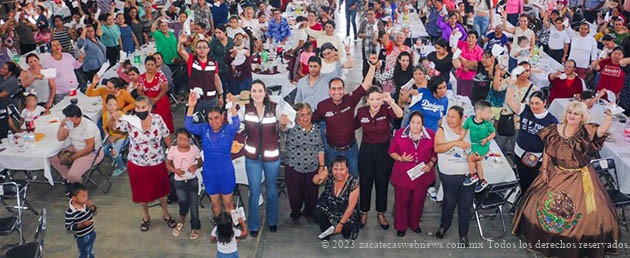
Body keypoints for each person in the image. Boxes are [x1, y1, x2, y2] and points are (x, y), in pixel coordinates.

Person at [512, 101, 619, 258]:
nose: (572, 116)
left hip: (580, 179)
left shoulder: (586, 131)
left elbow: (602, 130)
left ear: (582, 117)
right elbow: (547, 150)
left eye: (576, 114)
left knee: (586, 217)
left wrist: (609, 115)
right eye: (570, 112)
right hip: (556, 173)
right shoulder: (554, 130)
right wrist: (543, 169)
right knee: (540, 207)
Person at [111, 96, 176, 232]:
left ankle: (166, 213)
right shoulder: (130, 121)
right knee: (142, 193)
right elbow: (115, 127)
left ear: (149, 108)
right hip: (137, 163)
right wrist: (115, 116)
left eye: (143, 107)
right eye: (137, 107)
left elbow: (166, 135)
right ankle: (146, 217)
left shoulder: (158, 119)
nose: (140, 110)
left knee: (162, 191)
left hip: (156, 161)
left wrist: (171, 156)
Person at [238, 80, 289, 237]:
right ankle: (253, 225)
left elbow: (284, 128)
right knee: (254, 191)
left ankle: (272, 221)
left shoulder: (275, 108)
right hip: (252, 158)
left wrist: (284, 124)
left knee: (272, 191)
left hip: (272, 157)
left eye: (260, 91)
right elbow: (235, 125)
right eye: (254, 91)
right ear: (250, 93)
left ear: (265, 92)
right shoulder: (244, 110)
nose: (257, 94)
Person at [312, 55, 377, 177]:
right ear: (329, 91)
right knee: (332, 180)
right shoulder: (322, 106)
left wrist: (373, 65)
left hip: (351, 150)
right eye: (333, 89)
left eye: (340, 89)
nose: (337, 92)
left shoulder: (350, 99)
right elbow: (311, 121)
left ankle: (353, 196)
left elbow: (366, 84)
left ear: (344, 89)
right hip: (332, 151)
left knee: (354, 178)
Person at [184, 93, 239, 219]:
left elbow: (236, 122)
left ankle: (235, 227)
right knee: (215, 204)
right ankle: (220, 229)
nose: (213, 122)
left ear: (222, 117)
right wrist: (191, 106)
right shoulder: (204, 129)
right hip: (210, 173)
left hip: (225, 173)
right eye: (210, 119)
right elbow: (188, 125)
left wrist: (231, 104)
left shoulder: (228, 130)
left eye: (216, 118)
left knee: (228, 203)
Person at [355, 87, 402, 230]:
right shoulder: (361, 112)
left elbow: (399, 115)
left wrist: (391, 101)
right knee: (365, 183)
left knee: (382, 183)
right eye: (372, 99)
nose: (375, 102)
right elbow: (352, 126)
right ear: (367, 100)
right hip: (366, 151)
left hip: (383, 151)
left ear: (381, 99)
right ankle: (364, 212)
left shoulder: (386, 109)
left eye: (378, 99)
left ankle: (381, 213)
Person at [389, 111, 437, 237]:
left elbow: (434, 154)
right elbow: (392, 151)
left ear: (423, 124)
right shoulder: (399, 134)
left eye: (418, 123)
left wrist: (430, 165)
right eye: (412, 122)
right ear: (408, 123)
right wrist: (400, 158)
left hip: (422, 176)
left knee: (418, 201)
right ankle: (401, 226)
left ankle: (414, 224)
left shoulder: (431, 135)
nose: (415, 126)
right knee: (401, 202)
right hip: (402, 175)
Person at [504, 89, 558, 192]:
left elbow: (550, 146)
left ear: (545, 102)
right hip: (519, 152)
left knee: (531, 184)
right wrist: (513, 79)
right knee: (522, 179)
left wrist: (544, 167)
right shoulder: (525, 109)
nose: (533, 106)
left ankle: (526, 202)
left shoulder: (551, 121)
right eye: (531, 103)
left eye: (537, 103)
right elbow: (509, 100)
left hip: (535, 158)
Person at [434, 106, 474, 246]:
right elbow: (437, 148)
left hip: (467, 175)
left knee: (465, 205)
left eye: (453, 116)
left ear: (462, 118)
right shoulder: (442, 130)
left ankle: (463, 234)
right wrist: (456, 142)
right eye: (448, 116)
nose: (449, 119)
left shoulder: (469, 130)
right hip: (449, 175)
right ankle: (444, 226)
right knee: (448, 202)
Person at [279, 102, 324, 225]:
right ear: (296, 116)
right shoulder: (291, 127)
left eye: (308, 114)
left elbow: (320, 148)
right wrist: (283, 122)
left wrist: (321, 167)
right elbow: (282, 128)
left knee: (312, 197)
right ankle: (295, 213)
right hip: (294, 168)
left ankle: (309, 213)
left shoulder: (317, 129)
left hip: (312, 168)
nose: (305, 117)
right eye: (301, 115)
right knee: (295, 196)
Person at [51, 104, 103, 183]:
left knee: (73, 175)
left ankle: (78, 189)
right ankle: (67, 179)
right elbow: (61, 138)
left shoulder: (87, 127)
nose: (66, 119)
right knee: (52, 157)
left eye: (69, 117)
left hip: (92, 153)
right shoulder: (70, 123)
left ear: (75, 117)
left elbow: (89, 148)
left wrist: (73, 157)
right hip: (76, 148)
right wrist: (61, 126)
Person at [166, 128, 203, 240]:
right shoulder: (173, 150)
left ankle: (195, 227)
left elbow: (201, 162)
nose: (182, 142)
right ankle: (181, 221)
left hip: (192, 181)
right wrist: (175, 171)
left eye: (185, 139)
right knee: (182, 203)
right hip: (179, 181)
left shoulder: (194, 149)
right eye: (179, 139)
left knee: (193, 204)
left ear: (189, 140)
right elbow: (167, 164)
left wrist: (195, 166)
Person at [312, 156, 360, 240]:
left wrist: (340, 224)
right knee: (318, 211)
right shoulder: (329, 175)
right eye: (335, 169)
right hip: (330, 204)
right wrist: (320, 176)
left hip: (345, 209)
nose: (338, 173)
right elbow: (315, 181)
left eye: (342, 169)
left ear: (347, 169)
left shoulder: (354, 182)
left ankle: (345, 230)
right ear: (331, 169)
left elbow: (351, 206)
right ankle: (327, 230)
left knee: (346, 228)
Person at [178, 34, 224, 116]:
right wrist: (180, 43)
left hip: (211, 99)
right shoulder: (191, 60)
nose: (202, 50)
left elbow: (216, 79)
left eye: (204, 47)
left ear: (208, 50)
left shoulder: (213, 63)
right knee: (195, 123)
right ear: (196, 49)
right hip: (195, 100)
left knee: (212, 123)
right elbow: (181, 51)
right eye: (199, 47)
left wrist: (220, 95)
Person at [461, 100, 496, 193]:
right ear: (479, 112)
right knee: (478, 163)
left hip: (482, 147)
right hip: (474, 146)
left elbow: (493, 133)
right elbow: (464, 129)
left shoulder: (487, 123)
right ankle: (482, 180)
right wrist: (460, 139)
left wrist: (487, 139)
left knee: (470, 158)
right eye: (488, 112)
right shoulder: (469, 120)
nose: (490, 114)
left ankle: (472, 176)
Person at [137, 56, 174, 133]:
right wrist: (148, 99)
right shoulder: (141, 77)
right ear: (145, 65)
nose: (150, 67)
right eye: (148, 65)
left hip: (160, 97)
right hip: (147, 99)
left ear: (155, 65)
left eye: (152, 65)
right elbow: (139, 91)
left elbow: (165, 88)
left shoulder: (160, 75)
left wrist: (156, 98)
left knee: (162, 117)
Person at [65, 182, 98, 258]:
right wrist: (82, 224)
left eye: (86, 196)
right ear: (74, 198)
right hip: (82, 237)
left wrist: (92, 207)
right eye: (83, 196)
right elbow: (68, 227)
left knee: (90, 250)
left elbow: (94, 211)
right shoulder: (70, 212)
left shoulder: (85, 204)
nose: (86, 198)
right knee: (84, 252)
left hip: (91, 232)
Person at [102, 95, 129, 176]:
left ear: (117, 105)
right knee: (104, 151)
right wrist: (107, 135)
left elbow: (127, 130)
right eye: (110, 105)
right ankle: (117, 158)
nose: (112, 107)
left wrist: (116, 137)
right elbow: (104, 128)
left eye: (114, 105)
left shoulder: (121, 114)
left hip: (122, 137)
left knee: (114, 152)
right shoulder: (105, 115)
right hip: (112, 137)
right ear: (106, 105)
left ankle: (122, 167)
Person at [454, 32, 483, 98]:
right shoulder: (462, 45)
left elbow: (479, 66)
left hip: (471, 78)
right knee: (458, 95)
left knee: (467, 97)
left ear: (476, 40)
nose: (470, 39)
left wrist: (469, 66)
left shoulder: (479, 51)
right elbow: (453, 43)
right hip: (460, 75)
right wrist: (454, 35)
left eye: (473, 37)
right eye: (469, 37)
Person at [208, 25, 235, 95]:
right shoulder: (214, 42)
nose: (217, 35)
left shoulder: (231, 41)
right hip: (218, 69)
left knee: (231, 88)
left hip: (229, 69)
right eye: (216, 33)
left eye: (219, 32)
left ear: (225, 32)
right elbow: (210, 55)